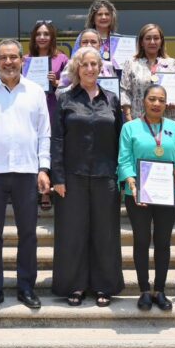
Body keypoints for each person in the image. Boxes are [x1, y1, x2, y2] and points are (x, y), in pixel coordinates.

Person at [0, 39, 51, 310]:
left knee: (28, 233)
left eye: (13, 57)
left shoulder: (36, 91)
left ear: (22, 60)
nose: (9, 62)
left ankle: (26, 287)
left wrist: (43, 168)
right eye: (3, 58)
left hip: (27, 172)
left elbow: (44, 133)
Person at [50, 47, 124, 308]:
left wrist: (124, 176)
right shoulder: (66, 99)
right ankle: (75, 285)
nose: (91, 69)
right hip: (72, 177)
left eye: (95, 64)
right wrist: (56, 177)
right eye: (85, 65)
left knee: (105, 232)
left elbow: (121, 141)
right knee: (73, 232)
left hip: (106, 177)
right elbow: (57, 138)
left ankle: (105, 285)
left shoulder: (112, 100)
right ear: (77, 69)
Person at [118, 85, 175, 311]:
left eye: (160, 99)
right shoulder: (130, 128)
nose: (156, 104)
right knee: (141, 241)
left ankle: (159, 290)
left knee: (162, 241)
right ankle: (143, 291)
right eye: (152, 99)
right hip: (138, 193)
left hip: (169, 192)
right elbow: (124, 159)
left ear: (166, 103)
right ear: (144, 101)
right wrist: (130, 180)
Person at [25, 21, 69, 210]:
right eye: (39, 34)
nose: (42, 37)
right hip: (29, 108)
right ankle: (30, 189)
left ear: (52, 37)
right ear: (34, 37)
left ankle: (46, 193)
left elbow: (71, 84)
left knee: (49, 149)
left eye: (46, 34)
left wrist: (57, 81)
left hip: (52, 107)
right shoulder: (25, 59)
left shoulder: (62, 59)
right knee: (31, 146)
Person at [120, 23, 175, 124]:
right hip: (139, 120)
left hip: (168, 119)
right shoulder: (130, 63)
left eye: (156, 38)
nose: (152, 42)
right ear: (141, 42)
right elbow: (124, 92)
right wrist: (128, 117)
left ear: (161, 41)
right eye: (148, 38)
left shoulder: (172, 63)